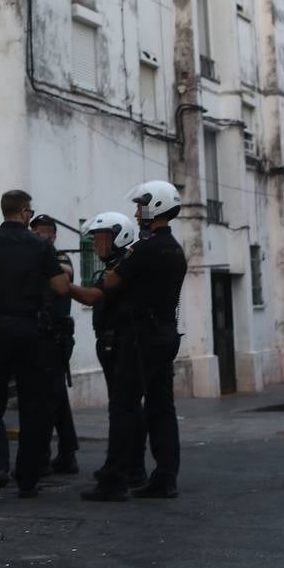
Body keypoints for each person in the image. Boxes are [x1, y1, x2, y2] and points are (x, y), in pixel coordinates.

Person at [75, 181, 187, 502]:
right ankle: (165, 477)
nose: (137, 212)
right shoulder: (175, 249)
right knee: (161, 407)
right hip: (166, 333)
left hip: (140, 336)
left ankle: (114, 479)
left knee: (124, 407)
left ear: (156, 205)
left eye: (142, 205)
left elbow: (111, 280)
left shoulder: (145, 247)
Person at [0, 190, 72, 500]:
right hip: (32, 331)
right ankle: (28, 478)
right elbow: (61, 286)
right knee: (35, 405)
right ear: (24, 212)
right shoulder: (39, 244)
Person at [76, 211, 146, 488]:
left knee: (123, 408)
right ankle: (128, 466)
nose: (96, 243)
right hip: (110, 341)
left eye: (101, 237)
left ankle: (123, 469)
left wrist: (64, 286)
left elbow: (95, 297)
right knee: (125, 407)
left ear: (120, 236)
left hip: (122, 342)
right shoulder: (115, 265)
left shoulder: (123, 266)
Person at [29, 213, 79, 475]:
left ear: (55, 235)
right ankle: (66, 451)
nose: (43, 235)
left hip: (56, 337)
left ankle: (49, 455)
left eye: (48, 231)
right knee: (54, 395)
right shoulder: (35, 259)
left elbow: (66, 274)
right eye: (38, 231)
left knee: (50, 396)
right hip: (39, 336)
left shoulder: (59, 257)